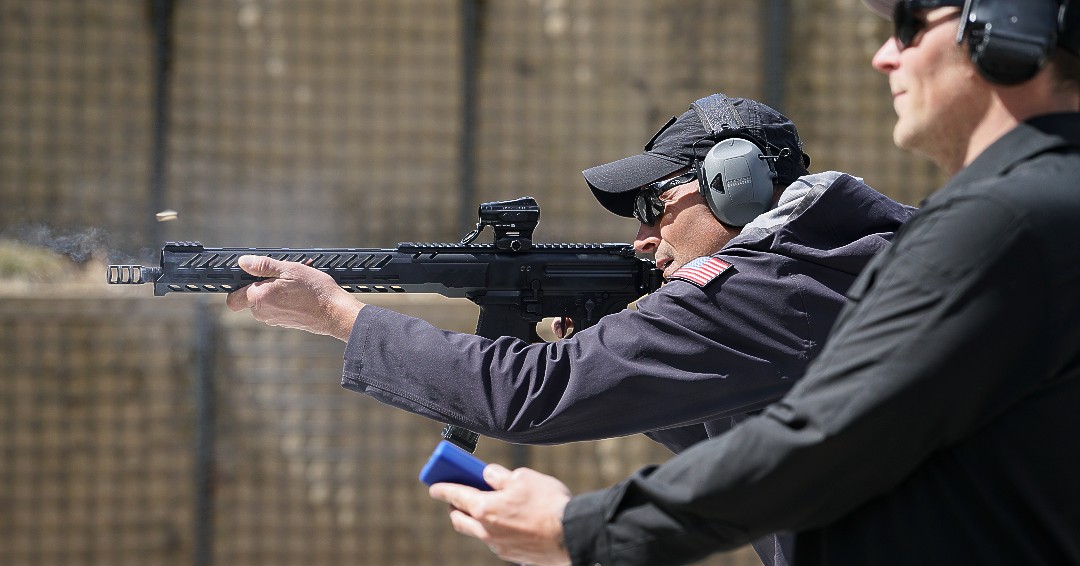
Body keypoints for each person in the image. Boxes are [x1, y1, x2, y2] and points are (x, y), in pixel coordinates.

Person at [427, 1, 1080, 564]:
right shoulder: (1011, 216)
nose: (885, 55)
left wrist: (582, 529)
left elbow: (816, 444)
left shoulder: (1004, 222)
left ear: (1007, 21)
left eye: (911, 24)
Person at [227, 94, 913, 566]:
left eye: (654, 206)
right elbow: (744, 444)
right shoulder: (842, 260)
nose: (643, 240)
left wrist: (337, 315)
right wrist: (624, 341)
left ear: (735, 184)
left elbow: (528, 394)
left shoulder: (764, 286)